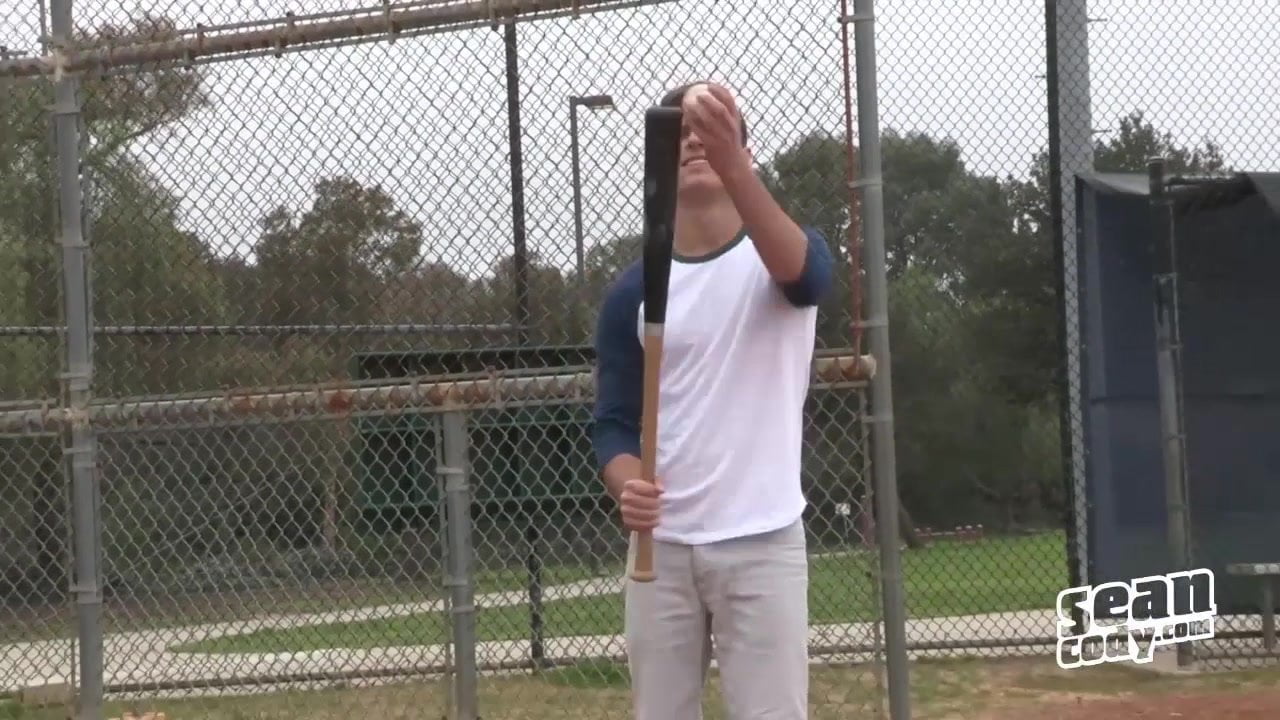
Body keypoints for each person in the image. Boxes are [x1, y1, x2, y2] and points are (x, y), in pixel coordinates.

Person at [590, 80, 835, 720]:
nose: (694, 141)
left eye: (712, 130)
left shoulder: (783, 254)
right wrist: (627, 485)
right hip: (661, 550)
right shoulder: (633, 292)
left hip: (762, 540)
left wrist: (735, 167)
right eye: (678, 133)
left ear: (742, 151)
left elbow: (807, 280)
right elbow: (613, 424)